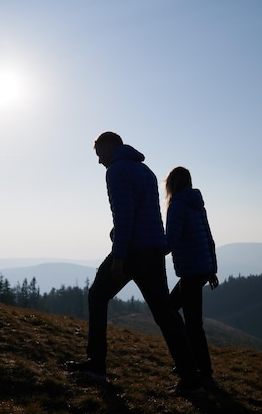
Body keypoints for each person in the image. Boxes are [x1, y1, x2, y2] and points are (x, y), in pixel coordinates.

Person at [65, 132, 204, 395]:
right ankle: (191, 379)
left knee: (97, 296)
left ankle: (96, 365)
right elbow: (146, 214)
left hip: (132, 251)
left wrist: (118, 257)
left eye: (99, 154)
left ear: (110, 147)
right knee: (166, 313)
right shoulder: (146, 171)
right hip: (153, 250)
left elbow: (124, 215)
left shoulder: (116, 171)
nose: (99, 162)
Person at [164, 166, 219, 387]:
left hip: (190, 271)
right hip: (200, 270)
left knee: (192, 323)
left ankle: (204, 372)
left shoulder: (177, 205)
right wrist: (212, 269)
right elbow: (209, 239)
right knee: (172, 310)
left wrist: (150, 246)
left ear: (171, 184)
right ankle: (191, 363)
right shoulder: (197, 205)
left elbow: (171, 241)